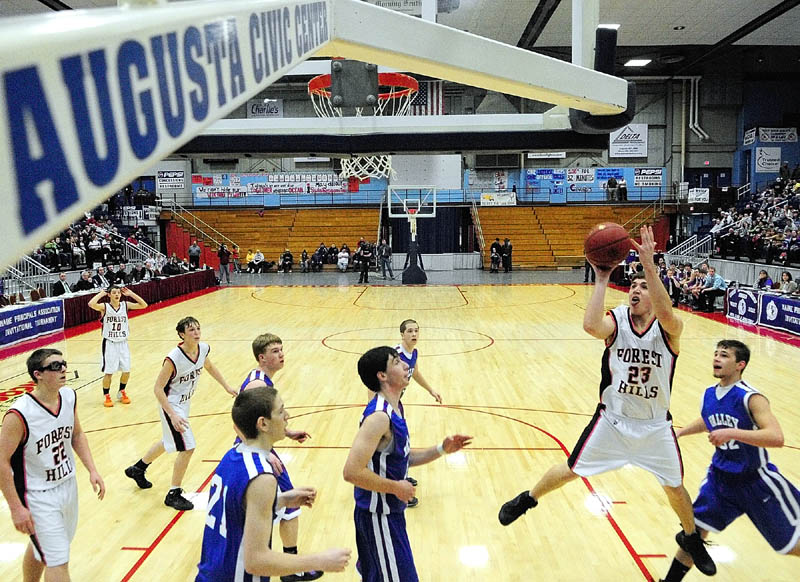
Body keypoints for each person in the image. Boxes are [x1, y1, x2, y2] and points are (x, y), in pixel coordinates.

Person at [498, 226, 716, 576]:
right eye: (633, 285)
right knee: (571, 468)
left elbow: (666, 310)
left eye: (643, 287)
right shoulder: (618, 320)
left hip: (655, 426)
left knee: (674, 488)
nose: (636, 289)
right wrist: (601, 279)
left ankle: (691, 537)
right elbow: (590, 326)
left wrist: (649, 267)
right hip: (612, 421)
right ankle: (528, 498)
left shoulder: (670, 328)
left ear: (658, 294)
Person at [658, 340, 800, 582]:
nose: (716, 358)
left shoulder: (751, 397)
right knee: (694, 534)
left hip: (757, 482)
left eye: (724, 355)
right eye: (715, 354)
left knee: (789, 545)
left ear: (740, 364)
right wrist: (680, 432)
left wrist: (731, 433)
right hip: (721, 480)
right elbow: (708, 420)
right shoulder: (709, 394)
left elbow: (776, 437)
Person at [343, 346, 472, 582]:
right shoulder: (378, 418)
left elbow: (403, 458)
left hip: (390, 513)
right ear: (382, 375)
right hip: (378, 516)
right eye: (396, 362)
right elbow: (351, 472)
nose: (405, 365)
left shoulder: (395, 409)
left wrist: (442, 449)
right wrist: (395, 487)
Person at [196, 386, 351, 581]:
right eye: (280, 411)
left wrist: (281, 500)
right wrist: (318, 560)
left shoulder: (232, 456)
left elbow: (235, 511)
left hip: (212, 572)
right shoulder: (262, 478)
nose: (287, 416)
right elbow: (256, 561)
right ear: (263, 424)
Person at [0, 348, 105, 582]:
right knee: (58, 560)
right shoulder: (19, 414)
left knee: (44, 547)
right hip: (37, 495)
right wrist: (16, 508)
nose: (64, 369)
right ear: (38, 374)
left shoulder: (69, 396)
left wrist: (92, 470)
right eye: (56, 366)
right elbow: (1, 462)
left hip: (67, 486)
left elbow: (76, 434)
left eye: (63, 364)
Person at [124, 317, 237, 510]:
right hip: (170, 405)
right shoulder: (173, 358)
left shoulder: (203, 349)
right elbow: (158, 389)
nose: (196, 332)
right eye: (191, 330)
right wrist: (173, 415)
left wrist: (226, 386)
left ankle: (138, 468)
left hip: (184, 404)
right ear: (182, 335)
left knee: (169, 441)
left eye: (198, 328)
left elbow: (209, 366)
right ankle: (173, 493)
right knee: (187, 446)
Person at [238, 333, 322, 582]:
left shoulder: (263, 380)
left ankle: (282, 563)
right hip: (254, 452)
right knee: (290, 506)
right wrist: (264, 454)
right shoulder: (257, 385)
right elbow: (238, 423)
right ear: (262, 357)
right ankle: (290, 568)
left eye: (281, 349)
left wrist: (286, 432)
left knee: (274, 507)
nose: (281, 354)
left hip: (257, 449)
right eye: (275, 351)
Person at [394, 319, 442, 509]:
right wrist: (377, 408)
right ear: (402, 334)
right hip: (388, 406)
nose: (414, 334)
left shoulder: (413, 353)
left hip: (397, 403)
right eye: (410, 331)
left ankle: (401, 474)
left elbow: (415, 373)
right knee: (395, 445)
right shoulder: (395, 356)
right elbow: (375, 381)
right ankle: (398, 490)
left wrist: (430, 390)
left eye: (416, 331)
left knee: (401, 442)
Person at [88, 286, 148, 407]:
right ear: (109, 295)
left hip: (123, 342)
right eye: (114, 293)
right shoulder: (105, 307)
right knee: (109, 372)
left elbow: (144, 305)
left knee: (126, 370)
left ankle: (121, 391)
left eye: (118, 293)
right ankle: (107, 395)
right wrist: (101, 293)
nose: (117, 295)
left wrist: (131, 294)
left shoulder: (125, 305)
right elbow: (91, 303)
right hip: (110, 343)